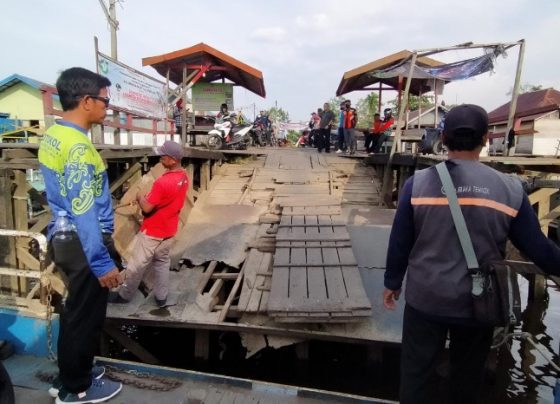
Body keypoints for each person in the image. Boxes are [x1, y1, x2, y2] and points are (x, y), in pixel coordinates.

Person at [382, 104, 560, 404]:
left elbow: (400, 242)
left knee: (416, 377)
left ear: (444, 138)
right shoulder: (510, 189)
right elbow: (539, 249)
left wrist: (392, 282)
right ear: (486, 139)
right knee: (466, 380)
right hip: (477, 305)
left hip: (426, 299)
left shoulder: (417, 184)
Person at [38, 67, 123, 403]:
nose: (107, 108)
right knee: (86, 318)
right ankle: (77, 388)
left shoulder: (54, 135)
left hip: (63, 237)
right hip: (83, 241)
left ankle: (73, 373)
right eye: (105, 101)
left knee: (74, 311)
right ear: (87, 101)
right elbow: (84, 211)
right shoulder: (78, 149)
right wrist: (102, 262)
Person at [110, 140, 189, 307]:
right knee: (162, 262)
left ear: (172, 160)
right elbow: (165, 201)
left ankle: (124, 296)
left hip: (153, 231)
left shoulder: (162, 182)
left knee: (136, 265)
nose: (160, 158)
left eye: (163, 156)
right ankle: (161, 297)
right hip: (169, 229)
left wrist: (139, 196)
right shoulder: (183, 177)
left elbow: (146, 209)